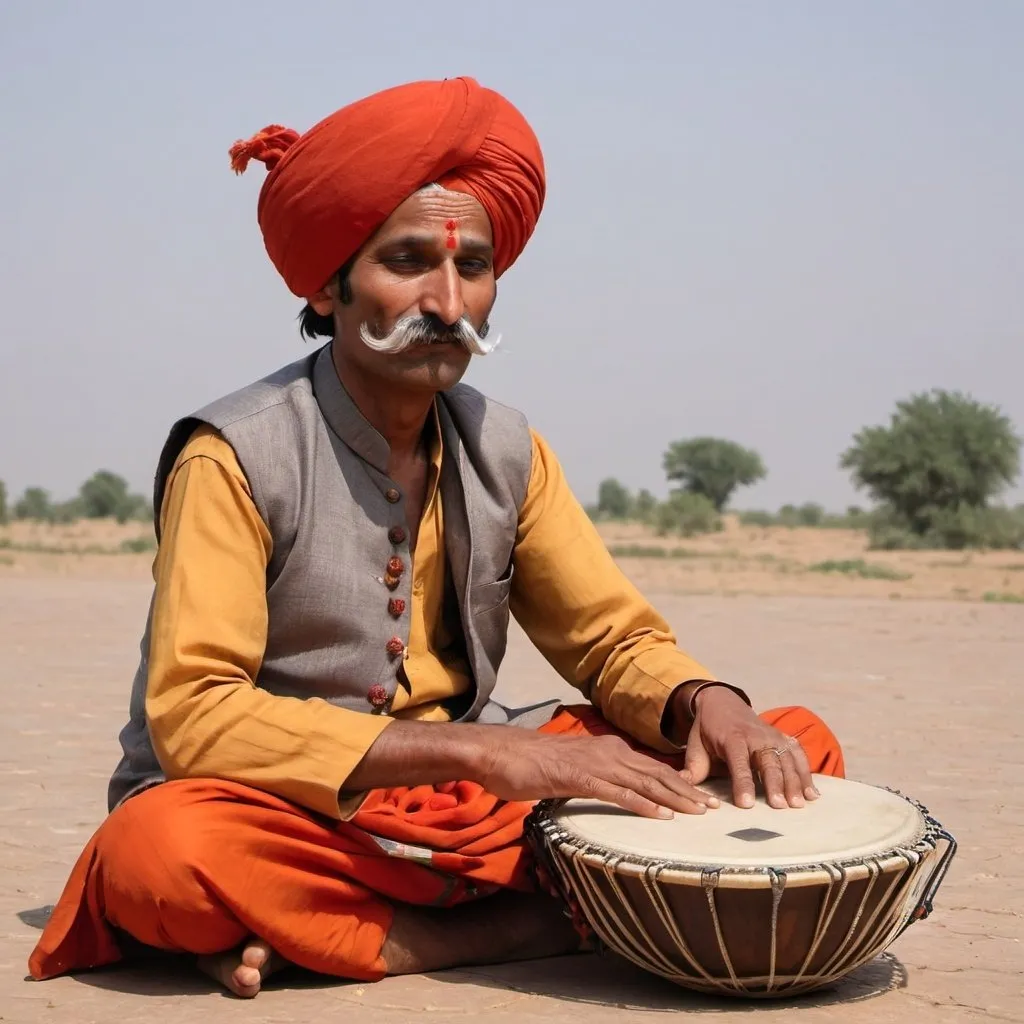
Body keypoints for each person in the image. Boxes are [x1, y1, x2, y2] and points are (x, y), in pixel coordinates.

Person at [28, 77, 844, 999]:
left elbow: (612, 639)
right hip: (287, 803)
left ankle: (323, 937)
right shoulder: (234, 455)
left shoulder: (508, 446)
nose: (449, 302)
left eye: (473, 268)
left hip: (468, 804)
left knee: (784, 751)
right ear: (330, 284)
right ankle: (494, 930)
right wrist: (482, 753)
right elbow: (195, 714)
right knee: (159, 854)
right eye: (409, 261)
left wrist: (708, 704)